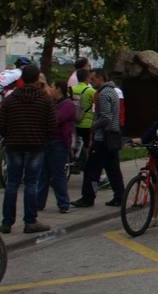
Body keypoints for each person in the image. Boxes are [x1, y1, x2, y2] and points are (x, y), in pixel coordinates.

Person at [0, 63, 55, 234]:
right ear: (38, 79)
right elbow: (52, 125)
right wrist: (42, 136)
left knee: (12, 183)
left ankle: (7, 222)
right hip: (36, 145)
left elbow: (0, 126)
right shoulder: (44, 100)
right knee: (31, 183)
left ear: (21, 79)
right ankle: (30, 221)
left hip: (14, 145)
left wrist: (10, 134)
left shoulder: (11, 99)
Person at [75, 69, 124, 208]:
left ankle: (88, 197)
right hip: (112, 136)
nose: (91, 82)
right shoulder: (113, 91)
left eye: (93, 79)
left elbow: (106, 118)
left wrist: (93, 126)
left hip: (102, 138)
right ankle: (119, 196)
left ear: (100, 78)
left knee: (92, 170)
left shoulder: (103, 94)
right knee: (113, 169)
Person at [37, 80, 75, 214]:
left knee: (58, 174)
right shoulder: (52, 103)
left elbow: (55, 119)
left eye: (52, 87)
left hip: (59, 142)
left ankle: (63, 203)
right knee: (43, 173)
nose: (50, 89)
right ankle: (39, 202)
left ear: (59, 89)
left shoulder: (68, 105)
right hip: (47, 141)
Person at [70, 67, 97, 168]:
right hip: (87, 123)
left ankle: (73, 159)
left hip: (74, 121)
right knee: (88, 146)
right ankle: (87, 164)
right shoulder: (91, 91)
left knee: (74, 141)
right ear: (87, 78)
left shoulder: (71, 89)